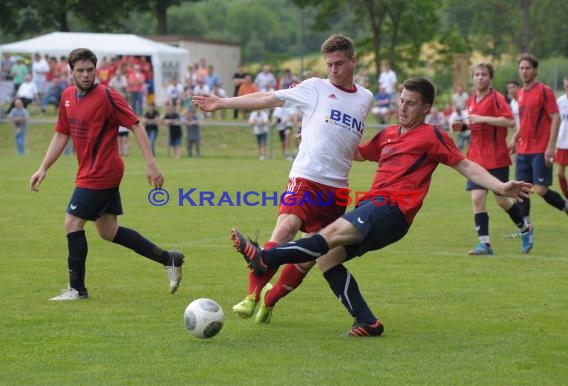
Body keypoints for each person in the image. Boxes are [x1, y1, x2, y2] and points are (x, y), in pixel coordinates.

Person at [230, 77, 532, 336]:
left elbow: (464, 165)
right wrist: (313, 133)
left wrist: (500, 186)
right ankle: (367, 321)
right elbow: (357, 153)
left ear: (425, 108)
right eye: (401, 101)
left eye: (411, 103)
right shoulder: (388, 134)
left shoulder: (432, 135)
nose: (403, 107)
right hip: (375, 207)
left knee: (330, 233)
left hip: (391, 210)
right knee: (328, 258)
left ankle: (265, 256)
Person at [193, 34, 373, 324]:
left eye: (339, 63)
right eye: (329, 64)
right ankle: (251, 296)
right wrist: (222, 102)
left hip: (337, 187)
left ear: (353, 61)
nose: (334, 70)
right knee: (286, 228)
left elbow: (347, 140)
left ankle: (269, 298)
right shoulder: (314, 87)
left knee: (308, 259)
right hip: (306, 177)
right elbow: (267, 98)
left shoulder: (365, 97)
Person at [29, 48, 184, 301]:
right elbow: (61, 134)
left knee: (71, 223)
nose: (86, 75)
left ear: (96, 69)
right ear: (72, 72)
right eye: (80, 70)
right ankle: (169, 259)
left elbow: (135, 125)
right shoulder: (67, 97)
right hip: (89, 171)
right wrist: (43, 167)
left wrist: (150, 163)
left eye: (90, 69)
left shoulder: (108, 96)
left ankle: (77, 290)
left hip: (102, 172)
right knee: (108, 231)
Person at [450, 62, 531, 255]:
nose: (480, 77)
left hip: (496, 158)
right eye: (477, 74)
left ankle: (525, 229)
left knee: (502, 201)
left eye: (483, 74)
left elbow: (510, 121)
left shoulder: (497, 99)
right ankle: (484, 244)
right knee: (477, 198)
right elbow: (475, 125)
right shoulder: (472, 99)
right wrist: (462, 127)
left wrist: (482, 118)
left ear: (490, 78)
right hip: (475, 159)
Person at [508, 53, 568, 233]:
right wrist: (514, 138)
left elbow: (555, 118)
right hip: (523, 149)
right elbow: (525, 122)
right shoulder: (519, 93)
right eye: (521, 68)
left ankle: (567, 207)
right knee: (521, 189)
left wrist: (551, 147)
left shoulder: (545, 91)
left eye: (527, 68)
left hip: (540, 149)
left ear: (535, 70)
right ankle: (526, 227)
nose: (524, 71)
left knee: (542, 190)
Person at [555, 75, 568, 200]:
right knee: (560, 173)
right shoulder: (560, 102)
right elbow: (555, 122)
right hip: (562, 144)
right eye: (567, 87)